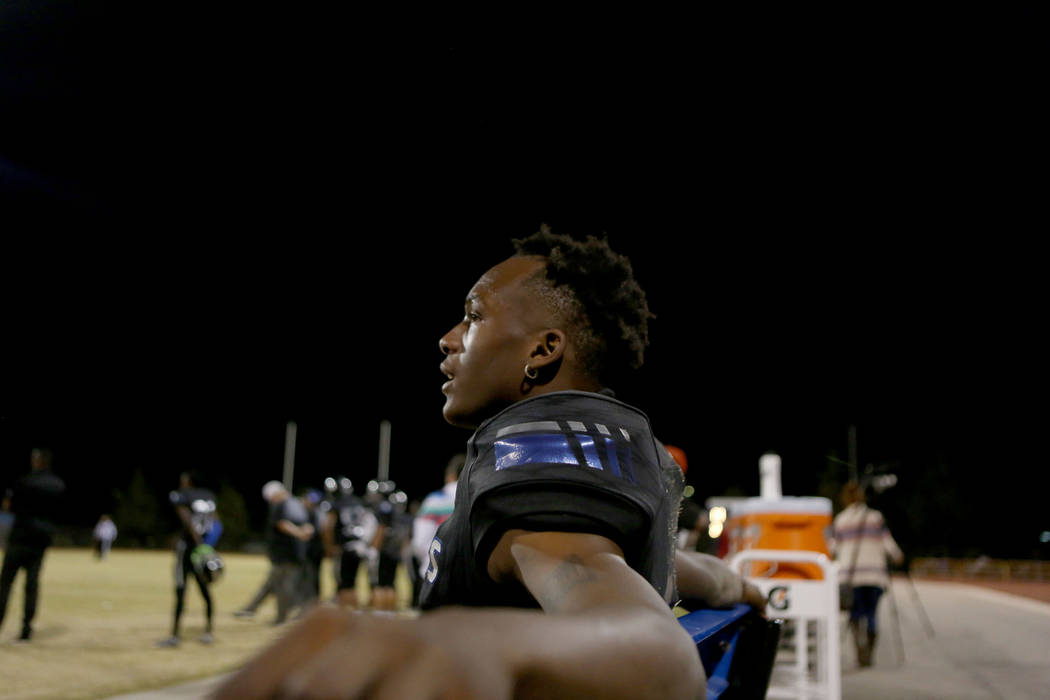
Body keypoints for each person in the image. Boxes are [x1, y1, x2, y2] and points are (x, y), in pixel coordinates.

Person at [215, 227, 762, 699]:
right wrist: (733, 586)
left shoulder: (537, 482)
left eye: (473, 316)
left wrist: (471, 648)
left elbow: (656, 650)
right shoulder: (596, 485)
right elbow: (653, 573)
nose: (449, 338)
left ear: (543, 350)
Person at [831, 480, 905, 667]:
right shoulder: (875, 517)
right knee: (872, 613)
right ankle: (870, 653)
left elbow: (833, 548)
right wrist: (897, 556)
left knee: (855, 613)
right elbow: (887, 542)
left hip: (851, 576)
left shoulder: (841, 520)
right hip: (874, 575)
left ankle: (859, 650)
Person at [0, 448, 66, 642]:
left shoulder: (24, 482)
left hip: (20, 537)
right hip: (41, 540)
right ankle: (26, 629)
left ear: (37, 461)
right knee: (32, 584)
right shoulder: (58, 485)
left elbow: (10, 507)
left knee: (5, 584)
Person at [235, 481, 314, 625]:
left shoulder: (281, 504)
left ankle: (284, 616)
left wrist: (298, 533)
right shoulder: (298, 504)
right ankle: (251, 608)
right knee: (275, 583)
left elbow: (281, 523)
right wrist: (303, 533)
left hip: (284, 552)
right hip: (297, 552)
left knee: (283, 586)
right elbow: (308, 523)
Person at [157, 471, 221, 647]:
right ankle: (208, 632)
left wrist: (198, 543)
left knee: (180, 590)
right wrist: (208, 546)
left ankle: (174, 636)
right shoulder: (209, 496)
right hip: (204, 549)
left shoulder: (181, 495)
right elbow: (217, 523)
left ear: (188, 481)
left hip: (187, 549)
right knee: (205, 590)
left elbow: (187, 519)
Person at [409, 453, 465, 606]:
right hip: (469, 577)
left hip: (434, 575)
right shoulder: (477, 499)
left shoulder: (435, 500)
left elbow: (419, 542)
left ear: (451, 474)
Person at [319, 477, 379, 609]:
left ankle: (347, 613)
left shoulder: (336, 504)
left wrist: (329, 546)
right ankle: (355, 611)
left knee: (344, 583)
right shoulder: (359, 503)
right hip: (361, 546)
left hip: (345, 547)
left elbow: (328, 526)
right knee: (353, 582)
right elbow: (372, 524)